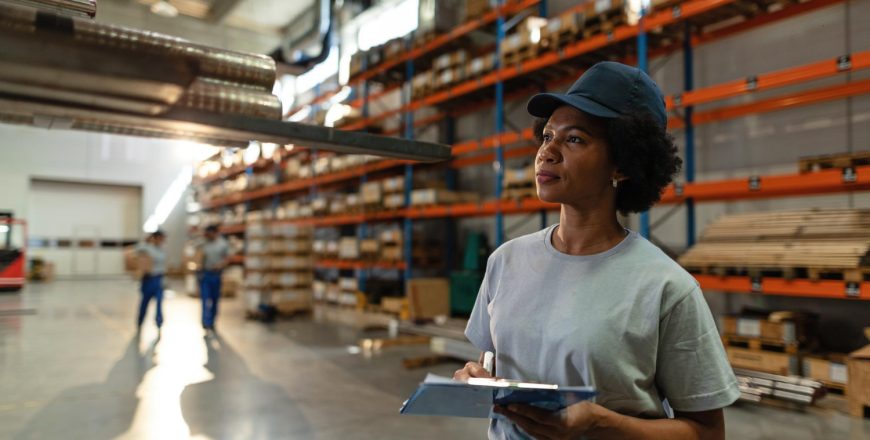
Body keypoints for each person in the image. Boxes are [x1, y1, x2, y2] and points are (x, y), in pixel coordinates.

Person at [455, 61, 740, 439]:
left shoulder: (666, 288)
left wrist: (604, 423)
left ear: (622, 165)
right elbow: (493, 360)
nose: (548, 152)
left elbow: (707, 432)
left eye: (574, 139)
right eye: (547, 136)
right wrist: (477, 378)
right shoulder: (506, 261)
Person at [198, 225, 229, 331]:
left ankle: (212, 321)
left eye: (209, 233)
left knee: (215, 300)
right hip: (205, 274)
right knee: (205, 299)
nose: (208, 236)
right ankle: (205, 321)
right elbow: (197, 255)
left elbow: (226, 259)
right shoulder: (204, 243)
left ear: (215, 233)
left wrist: (220, 265)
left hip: (216, 275)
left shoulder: (223, 244)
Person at [135, 230, 166, 334]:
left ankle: (159, 322)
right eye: (160, 238)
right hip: (149, 279)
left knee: (159, 302)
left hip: (159, 278)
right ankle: (140, 321)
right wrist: (145, 241)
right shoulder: (147, 248)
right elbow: (137, 250)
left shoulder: (162, 250)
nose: (162, 241)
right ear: (155, 238)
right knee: (145, 302)